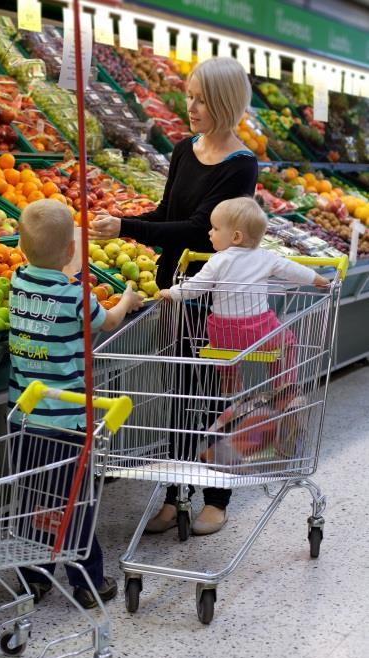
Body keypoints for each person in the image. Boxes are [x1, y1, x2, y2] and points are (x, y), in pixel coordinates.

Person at [90, 57, 259, 536]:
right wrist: (121, 225)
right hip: (175, 290)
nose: (191, 106)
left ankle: (218, 497)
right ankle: (174, 493)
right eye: (188, 96)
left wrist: (128, 226)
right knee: (180, 393)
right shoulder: (185, 150)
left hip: (215, 293)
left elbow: (198, 231)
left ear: (225, 102)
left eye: (201, 99)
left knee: (212, 393)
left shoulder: (241, 166)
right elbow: (168, 212)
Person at [9, 198, 143, 608]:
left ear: (20, 247)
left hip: (25, 417)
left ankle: (34, 576)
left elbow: (50, 294)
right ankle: (88, 581)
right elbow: (109, 321)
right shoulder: (77, 296)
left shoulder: (16, 281)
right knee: (75, 501)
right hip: (68, 420)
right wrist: (128, 299)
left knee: (35, 498)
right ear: (71, 251)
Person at [160, 197, 330, 393]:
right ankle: (283, 387)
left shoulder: (217, 261)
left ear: (236, 237)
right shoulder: (267, 258)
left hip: (223, 334)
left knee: (226, 353)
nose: (209, 232)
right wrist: (318, 279)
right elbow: (294, 270)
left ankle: (230, 384)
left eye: (215, 228)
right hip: (259, 333)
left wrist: (171, 293)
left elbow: (194, 288)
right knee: (288, 342)